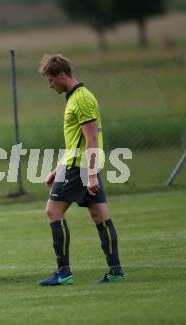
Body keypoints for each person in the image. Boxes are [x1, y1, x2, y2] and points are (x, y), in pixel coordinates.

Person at [38, 54, 126, 286]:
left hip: (80, 168)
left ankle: (63, 272)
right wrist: (57, 169)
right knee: (99, 215)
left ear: (62, 75)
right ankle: (115, 271)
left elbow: (91, 140)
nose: (49, 85)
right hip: (76, 164)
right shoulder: (75, 98)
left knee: (53, 212)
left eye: (50, 80)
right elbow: (75, 141)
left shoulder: (82, 99)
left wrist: (91, 174)